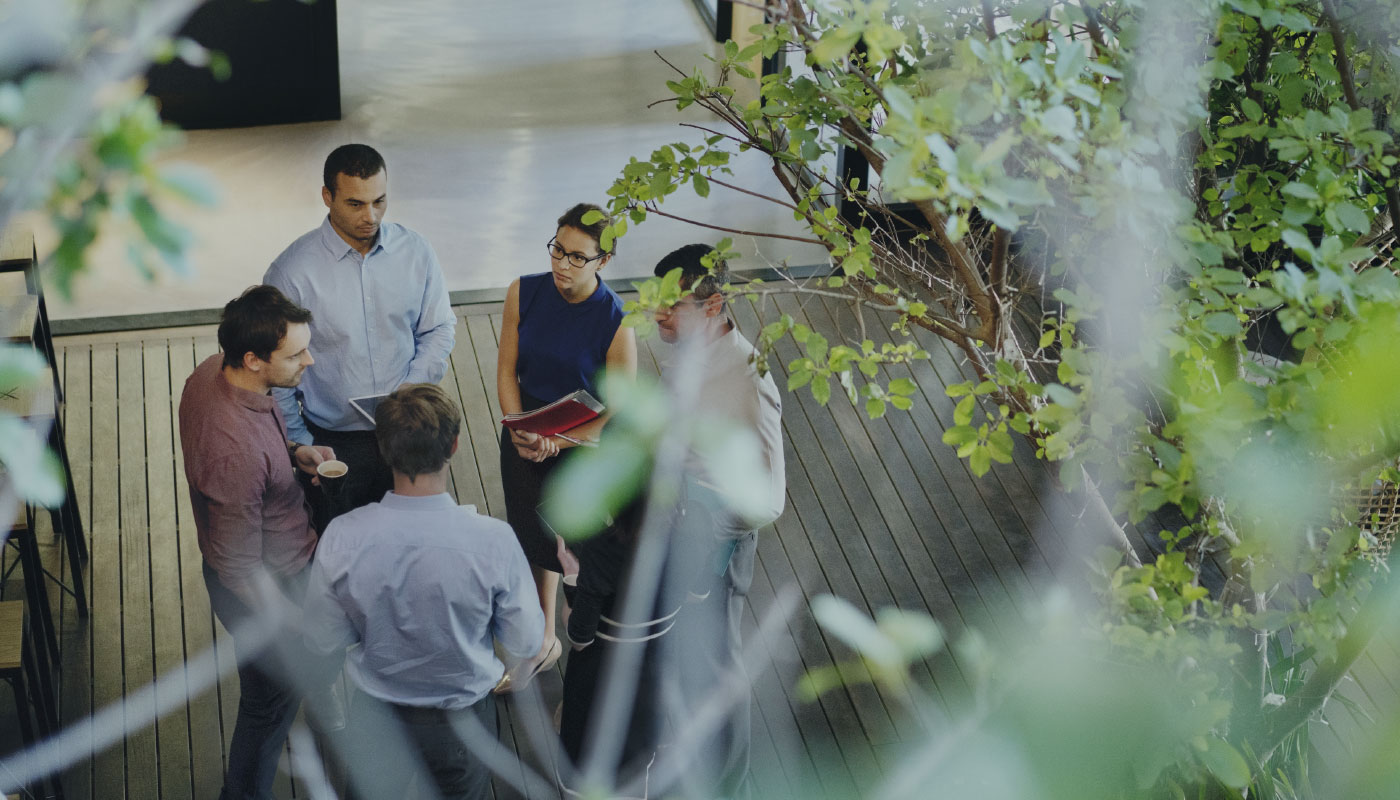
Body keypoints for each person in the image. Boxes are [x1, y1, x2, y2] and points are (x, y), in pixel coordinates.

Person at [302, 384, 545, 800]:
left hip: (375, 720)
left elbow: (321, 636)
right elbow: (526, 641)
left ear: (382, 450)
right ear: (453, 445)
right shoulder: (494, 542)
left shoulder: (343, 537)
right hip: (463, 725)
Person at [178, 285, 334, 800]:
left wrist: (294, 453)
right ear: (253, 359)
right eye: (295, 354)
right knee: (265, 707)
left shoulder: (210, 372)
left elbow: (259, 456)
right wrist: (290, 626)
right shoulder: (233, 451)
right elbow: (241, 569)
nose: (308, 360)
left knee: (282, 690)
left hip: (273, 557)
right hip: (271, 582)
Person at [650, 244, 786, 798]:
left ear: (714, 305)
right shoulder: (689, 352)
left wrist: (699, 516)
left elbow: (767, 500)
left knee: (719, 672)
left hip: (712, 547)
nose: (658, 314)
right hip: (676, 531)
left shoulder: (746, 380)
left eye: (671, 305)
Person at [264, 143, 456, 523]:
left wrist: (407, 393)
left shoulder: (416, 251)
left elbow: (438, 328)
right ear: (327, 196)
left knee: (414, 541)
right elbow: (278, 368)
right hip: (336, 442)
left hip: (409, 426)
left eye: (379, 201)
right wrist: (303, 442)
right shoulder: (291, 273)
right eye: (355, 204)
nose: (370, 216)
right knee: (336, 550)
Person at [495, 202, 637, 685]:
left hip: (581, 441)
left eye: (578, 257)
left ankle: (583, 644)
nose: (562, 264)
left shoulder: (618, 320)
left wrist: (559, 443)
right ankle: (543, 639)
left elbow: (619, 410)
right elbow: (505, 369)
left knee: (576, 545)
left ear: (604, 262)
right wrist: (517, 426)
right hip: (525, 429)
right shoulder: (524, 292)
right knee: (533, 536)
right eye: (558, 249)